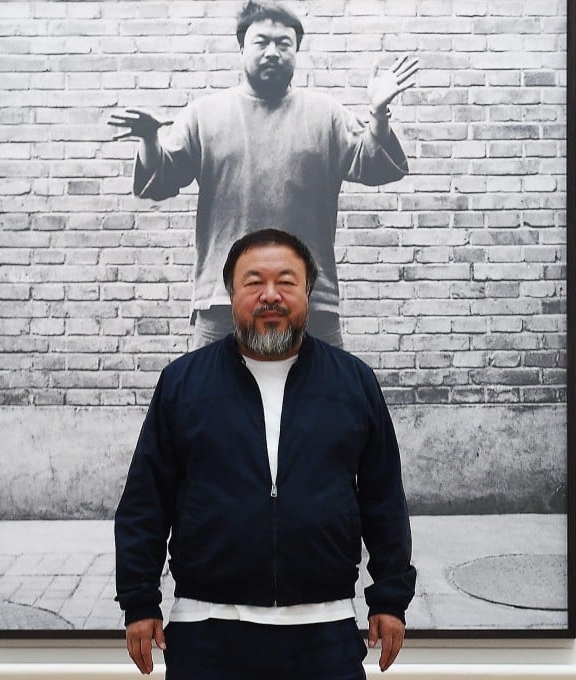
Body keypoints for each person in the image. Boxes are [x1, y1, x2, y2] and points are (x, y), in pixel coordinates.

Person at [115, 229, 416, 678]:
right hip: (206, 629)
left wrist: (390, 598)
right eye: (253, 282)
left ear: (308, 293)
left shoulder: (352, 383)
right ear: (231, 293)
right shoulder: (183, 383)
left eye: (286, 282)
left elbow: (383, 500)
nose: (270, 295)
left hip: (325, 629)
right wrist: (140, 601)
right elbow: (146, 500)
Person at [107, 1, 419, 349]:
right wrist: (151, 139)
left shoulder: (326, 115)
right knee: (211, 401)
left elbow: (375, 165)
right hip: (224, 299)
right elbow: (159, 181)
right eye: (261, 42)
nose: (272, 51)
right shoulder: (204, 115)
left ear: (297, 51)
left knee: (326, 401)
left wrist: (379, 114)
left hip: (310, 298)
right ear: (241, 48)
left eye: (283, 43)